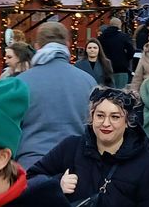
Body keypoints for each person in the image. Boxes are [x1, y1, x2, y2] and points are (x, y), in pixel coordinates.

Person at [28, 87, 149, 206]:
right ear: (92, 117)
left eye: (115, 117)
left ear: (127, 121)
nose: (106, 123)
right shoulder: (71, 147)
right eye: (100, 115)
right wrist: (56, 184)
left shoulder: (146, 164)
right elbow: (29, 179)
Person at [16, 22, 97, 170]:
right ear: (67, 45)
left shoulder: (21, 83)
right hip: (76, 165)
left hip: (31, 166)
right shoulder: (88, 81)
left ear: (37, 46)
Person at [98, 17, 135, 88]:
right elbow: (131, 50)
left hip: (105, 68)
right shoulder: (123, 37)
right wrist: (126, 59)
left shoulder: (101, 38)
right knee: (120, 91)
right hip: (121, 68)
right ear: (119, 25)